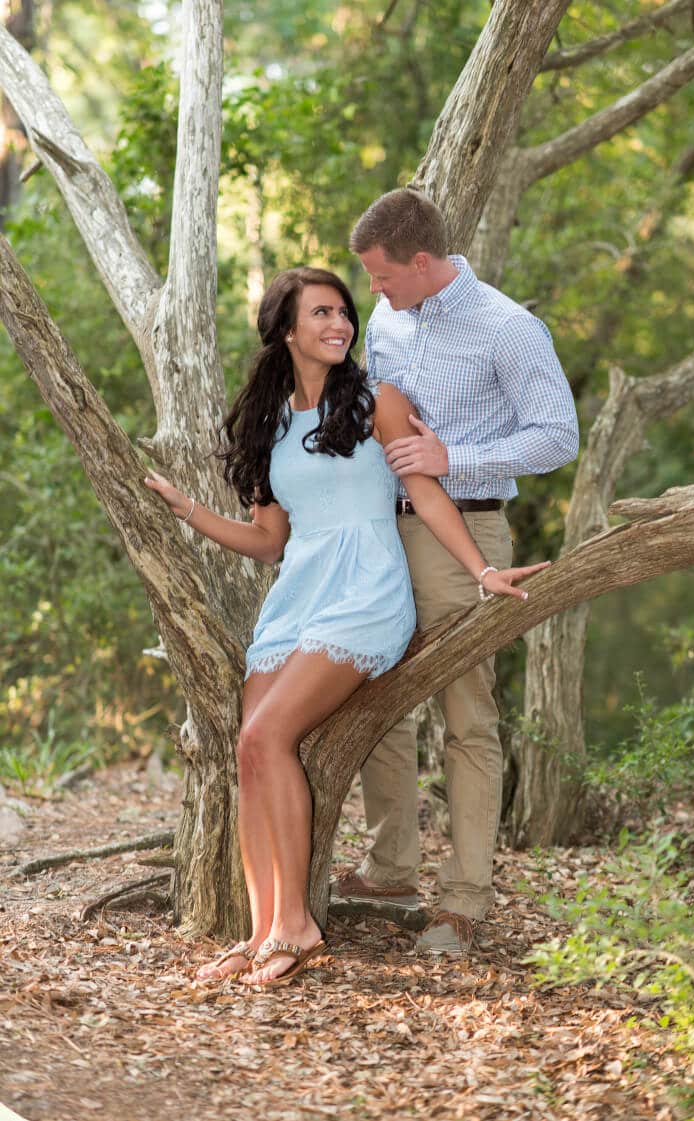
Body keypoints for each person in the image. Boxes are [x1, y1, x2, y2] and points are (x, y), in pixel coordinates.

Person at [145, 267, 548, 987]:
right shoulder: (271, 419)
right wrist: (190, 513)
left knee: (267, 734)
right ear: (287, 328)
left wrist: (482, 571)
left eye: (345, 311)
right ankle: (263, 926)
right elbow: (269, 539)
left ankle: (297, 925)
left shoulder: (378, 402)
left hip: (366, 590)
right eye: (322, 312)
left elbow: (424, 495)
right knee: (250, 752)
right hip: (297, 592)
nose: (341, 324)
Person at [331, 188, 579, 955]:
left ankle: (465, 899)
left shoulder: (508, 328)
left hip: (466, 529)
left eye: (380, 275)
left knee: (466, 717)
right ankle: (391, 865)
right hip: (382, 530)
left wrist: (454, 457)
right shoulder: (387, 319)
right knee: (378, 698)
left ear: (423, 261)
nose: (371, 292)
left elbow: (558, 437)